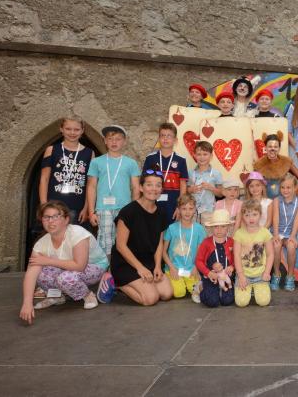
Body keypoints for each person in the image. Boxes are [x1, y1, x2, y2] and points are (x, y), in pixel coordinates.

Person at [19, 201, 108, 324]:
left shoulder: (77, 233)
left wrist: (48, 261)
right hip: (67, 267)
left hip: (94, 266)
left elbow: (79, 265)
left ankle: (87, 295)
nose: (51, 221)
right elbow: (31, 274)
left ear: (66, 219)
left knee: (65, 278)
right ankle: (56, 296)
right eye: (46, 217)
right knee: (40, 273)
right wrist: (26, 304)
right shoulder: (42, 243)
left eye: (56, 216)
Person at [110, 171, 174, 306]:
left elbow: (159, 243)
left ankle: (145, 283)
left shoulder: (161, 213)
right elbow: (120, 246)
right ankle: (115, 283)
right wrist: (140, 268)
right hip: (127, 263)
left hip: (149, 261)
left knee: (167, 294)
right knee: (151, 299)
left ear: (161, 189)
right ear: (141, 187)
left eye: (158, 185)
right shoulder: (128, 211)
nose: (154, 189)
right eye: (149, 185)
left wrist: (157, 266)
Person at [86, 125, 140, 259]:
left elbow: (135, 188)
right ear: (104, 140)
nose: (114, 142)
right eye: (110, 139)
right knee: (105, 243)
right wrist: (91, 211)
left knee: (123, 241)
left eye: (118, 139)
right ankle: (107, 273)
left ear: (124, 141)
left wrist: (134, 210)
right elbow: (91, 187)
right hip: (103, 209)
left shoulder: (131, 163)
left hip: (125, 209)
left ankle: (120, 272)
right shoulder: (96, 162)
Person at [39, 115, 95, 226]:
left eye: (76, 129)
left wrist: (86, 208)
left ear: (82, 131)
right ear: (61, 129)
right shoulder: (51, 150)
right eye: (68, 129)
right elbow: (44, 179)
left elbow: (90, 183)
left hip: (77, 207)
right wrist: (44, 206)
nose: (72, 133)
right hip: (54, 206)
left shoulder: (90, 153)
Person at [162, 194, 207, 302]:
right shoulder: (172, 228)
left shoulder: (199, 229)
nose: (187, 212)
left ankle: (196, 283)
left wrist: (196, 267)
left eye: (190, 209)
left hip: (191, 269)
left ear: (195, 209)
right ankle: (170, 279)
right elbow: (163, 252)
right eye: (184, 209)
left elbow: (202, 253)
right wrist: (171, 267)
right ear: (178, 210)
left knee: (198, 291)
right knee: (179, 293)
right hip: (174, 268)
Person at [142, 122, 188, 224]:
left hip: (173, 205)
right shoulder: (150, 158)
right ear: (158, 138)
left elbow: (183, 186)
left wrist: (180, 207)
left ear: (175, 140)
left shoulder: (181, 160)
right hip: (152, 204)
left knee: (171, 237)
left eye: (169, 136)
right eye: (162, 135)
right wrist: (145, 205)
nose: (165, 139)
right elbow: (144, 183)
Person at [233, 200, 275, 307]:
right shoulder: (239, 234)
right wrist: (241, 275)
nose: (251, 218)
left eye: (254, 214)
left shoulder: (265, 232)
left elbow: (270, 254)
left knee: (263, 302)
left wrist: (267, 272)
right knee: (241, 303)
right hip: (244, 275)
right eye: (247, 215)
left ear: (260, 215)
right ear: (242, 216)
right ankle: (248, 289)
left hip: (260, 275)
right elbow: (236, 256)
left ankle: (256, 289)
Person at [195, 209, 236, 307]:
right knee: (212, 302)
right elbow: (198, 261)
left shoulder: (232, 242)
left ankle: (223, 290)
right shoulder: (206, 242)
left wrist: (232, 267)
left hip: (226, 277)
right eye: (216, 227)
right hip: (211, 277)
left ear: (228, 228)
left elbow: (237, 259)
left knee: (227, 301)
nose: (219, 230)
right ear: (211, 228)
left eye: (223, 227)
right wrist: (208, 273)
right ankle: (200, 288)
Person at [253, 133, 298, 199]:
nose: (272, 149)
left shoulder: (286, 162)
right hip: (266, 201)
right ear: (265, 148)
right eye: (270, 146)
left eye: (275, 147)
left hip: (284, 200)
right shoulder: (259, 165)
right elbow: (254, 184)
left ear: (279, 148)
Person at [188, 141, 223, 227]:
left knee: (208, 236)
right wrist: (191, 190)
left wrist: (211, 188)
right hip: (192, 211)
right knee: (194, 235)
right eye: (199, 154)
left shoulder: (216, 173)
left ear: (211, 156)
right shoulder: (190, 173)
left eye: (205, 154)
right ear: (194, 155)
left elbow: (221, 193)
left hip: (209, 212)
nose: (202, 157)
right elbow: (185, 190)